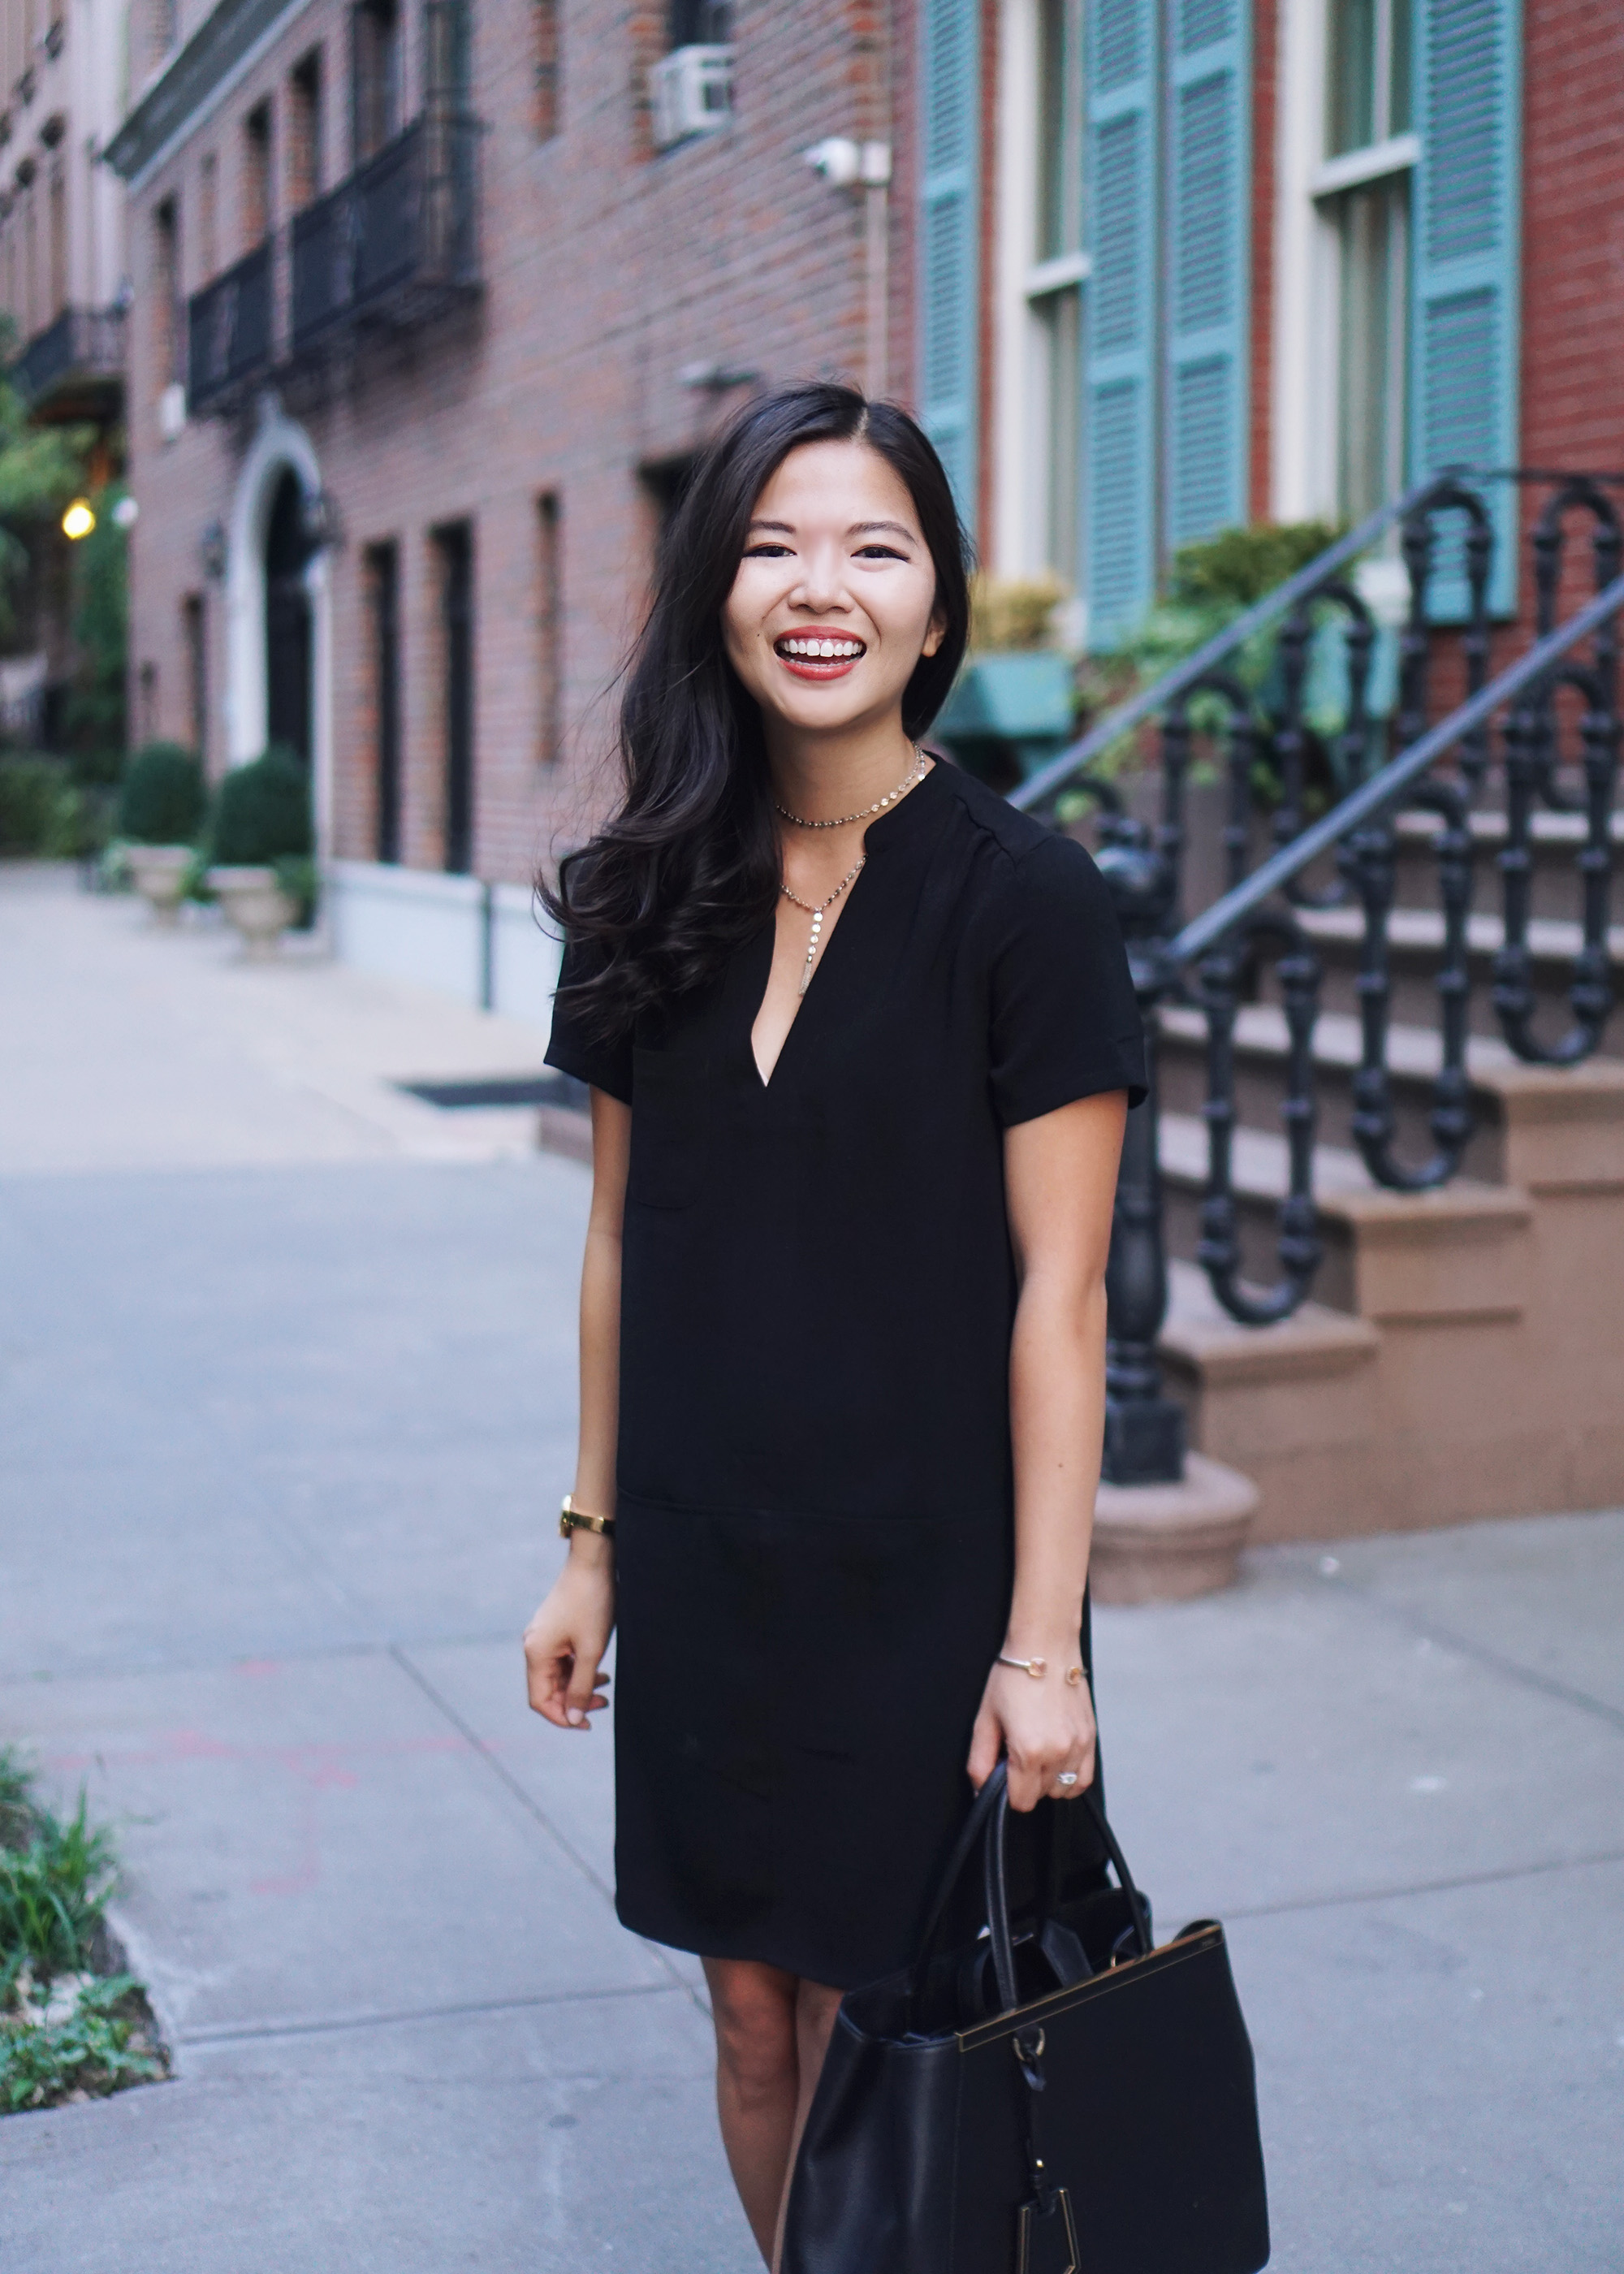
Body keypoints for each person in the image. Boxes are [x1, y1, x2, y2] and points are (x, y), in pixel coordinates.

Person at [524, 381, 1144, 2271]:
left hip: (937, 1582)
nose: (822, 587)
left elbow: (1065, 1292)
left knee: (914, 2024)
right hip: (714, 1565)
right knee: (745, 2011)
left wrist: (1042, 1644)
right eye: (777, 542)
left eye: (874, 547)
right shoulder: (645, 891)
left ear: (936, 611)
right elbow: (624, 1237)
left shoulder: (1023, 902)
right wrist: (589, 1544)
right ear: (718, 584)